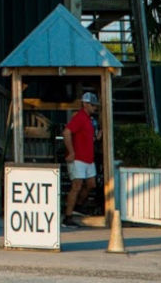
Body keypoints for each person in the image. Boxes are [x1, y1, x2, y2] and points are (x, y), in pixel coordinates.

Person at [63, 91, 100, 227]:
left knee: (91, 184)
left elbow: (86, 137)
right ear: (85, 104)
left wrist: (96, 138)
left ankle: (78, 206)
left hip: (88, 159)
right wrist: (71, 152)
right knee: (76, 186)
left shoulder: (88, 120)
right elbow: (67, 132)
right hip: (78, 158)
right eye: (92, 105)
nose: (95, 108)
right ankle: (68, 217)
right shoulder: (79, 117)